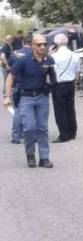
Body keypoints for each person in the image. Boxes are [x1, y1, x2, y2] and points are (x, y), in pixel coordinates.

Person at [4, 33, 56, 168]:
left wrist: (53, 88)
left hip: (42, 98)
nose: (42, 47)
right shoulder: (23, 60)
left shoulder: (48, 60)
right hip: (26, 98)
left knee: (42, 128)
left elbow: (53, 78)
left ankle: (44, 158)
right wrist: (6, 96)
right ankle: (30, 154)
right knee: (29, 128)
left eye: (45, 44)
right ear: (33, 46)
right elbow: (10, 77)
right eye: (39, 44)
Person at [50, 33, 81, 142]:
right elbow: (77, 73)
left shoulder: (53, 56)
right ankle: (73, 132)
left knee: (60, 110)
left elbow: (50, 71)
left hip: (59, 85)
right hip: (70, 84)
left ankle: (64, 135)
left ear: (56, 43)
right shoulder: (74, 55)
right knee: (70, 108)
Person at [7, 35, 31, 144]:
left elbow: (10, 68)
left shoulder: (15, 53)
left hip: (17, 85)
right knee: (31, 112)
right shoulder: (35, 54)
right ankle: (29, 135)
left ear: (23, 42)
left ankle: (16, 136)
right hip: (31, 87)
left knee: (17, 111)